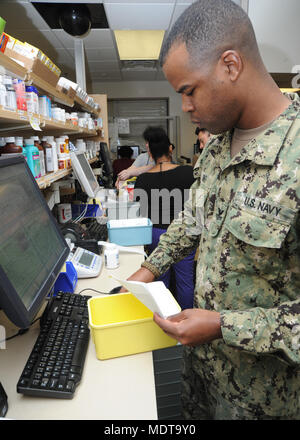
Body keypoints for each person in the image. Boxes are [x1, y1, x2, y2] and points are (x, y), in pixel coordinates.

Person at [122, 0, 300, 420]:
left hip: (262, 398)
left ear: (231, 65)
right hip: (200, 373)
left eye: (188, 90)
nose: (185, 107)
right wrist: (145, 273)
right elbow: (193, 220)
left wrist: (224, 325)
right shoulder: (217, 147)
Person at [134, 127, 195, 309]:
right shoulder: (188, 172)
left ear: (150, 153)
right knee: (185, 281)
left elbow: (140, 208)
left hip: (155, 234)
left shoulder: (143, 179)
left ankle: (165, 320)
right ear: (170, 149)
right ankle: (187, 322)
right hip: (184, 233)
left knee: (160, 281)